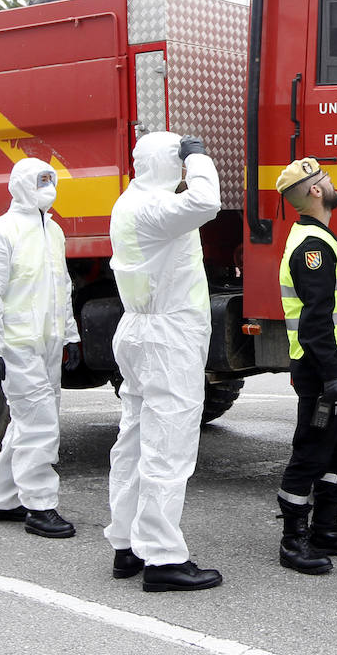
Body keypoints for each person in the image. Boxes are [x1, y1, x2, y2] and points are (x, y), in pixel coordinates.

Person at [104, 131, 224, 592]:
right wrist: (199, 158)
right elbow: (207, 201)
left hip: (138, 332)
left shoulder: (128, 202)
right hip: (166, 339)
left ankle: (127, 545)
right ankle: (162, 558)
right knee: (167, 450)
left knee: (133, 442)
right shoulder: (156, 208)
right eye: (179, 159)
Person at [0, 157, 82, 539]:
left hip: (47, 343)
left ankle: (1, 497)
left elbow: (61, 287)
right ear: (20, 185)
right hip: (16, 345)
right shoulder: (1, 232)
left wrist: (70, 336)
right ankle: (40, 506)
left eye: (51, 180)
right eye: (40, 181)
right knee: (40, 425)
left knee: (29, 421)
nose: (48, 188)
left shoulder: (54, 231)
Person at [274, 157, 337, 576]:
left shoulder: (318, 238)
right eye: (326, 179)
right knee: (311, 451)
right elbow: (315, 321)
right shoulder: (313, 247)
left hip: (334, 369)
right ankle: (292, 540)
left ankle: (326, 527)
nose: (332, 184)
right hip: (320, 372)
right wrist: (333, 374)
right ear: (315, 191)